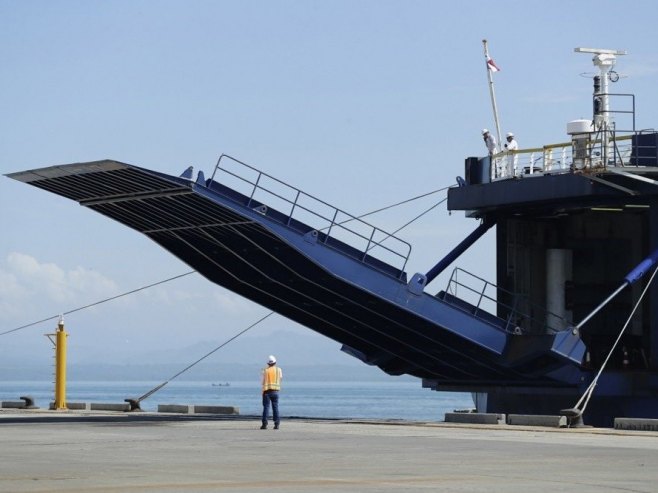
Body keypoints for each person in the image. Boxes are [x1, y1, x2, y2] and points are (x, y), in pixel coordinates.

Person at [261, 354, 283, 429]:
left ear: (268, 363)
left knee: (266, 408)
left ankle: (264, 424)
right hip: (276, 391)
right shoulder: (279, 370)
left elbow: (262, 382)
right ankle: (276, 424)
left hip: (266, 392)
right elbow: (280, 379)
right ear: (275, 362)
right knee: (275, 407)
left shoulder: (265, 370)